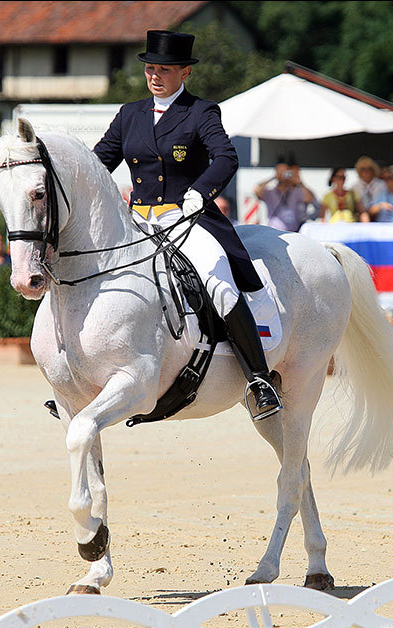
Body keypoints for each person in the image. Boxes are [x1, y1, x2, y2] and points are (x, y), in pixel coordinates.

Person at [93, 29, 281, 419]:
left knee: (221, 285)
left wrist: (199, 193)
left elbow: (226, 158)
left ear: (185, 73)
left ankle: (259, 378)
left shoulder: (200, 112)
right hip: (139, 221)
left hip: (186, 218)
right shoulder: (129, 115)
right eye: (149, 68)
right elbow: (98, 165)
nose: (155, 76)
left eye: (164, 69)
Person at [254, 161, 317, 232]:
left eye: (286, 171)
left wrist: (299, 182)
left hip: (292, 231)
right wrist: (274, 178)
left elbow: (310, 198)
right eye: (281, 171)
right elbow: (257, 190)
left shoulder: (296, 191)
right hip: (273, 231)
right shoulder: (270, 192)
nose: (283, 174)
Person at [350, 156, 385, 222]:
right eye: (363, 169)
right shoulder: (354, 187)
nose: (366, 171)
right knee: (364, 216)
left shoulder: (381, 185)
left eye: (369, 168)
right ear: (359, 171)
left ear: (373, 170)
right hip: (362, 216)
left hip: (379, 216)